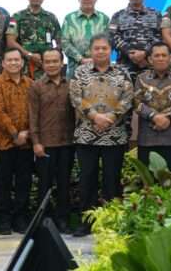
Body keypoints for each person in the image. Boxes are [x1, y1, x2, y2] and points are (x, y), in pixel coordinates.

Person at [70, 34, 133, 237]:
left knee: (112, 181)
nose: (100, 51)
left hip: (114, 136)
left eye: (104, 48)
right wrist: (95, 116)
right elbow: (75, 97)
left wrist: (111, 117)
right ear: (91, 51)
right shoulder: (80, 72)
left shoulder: (122, 72)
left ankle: (111, 222)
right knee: (86, 180)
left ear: (111, 51)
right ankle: (86, 222)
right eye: (96, 48)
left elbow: (128, 98)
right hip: (86, 135)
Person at [29, 48, 75, 234]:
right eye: (48, 61)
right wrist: (36, 142)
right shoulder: (36, 86)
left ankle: (63, 220)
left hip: (67, 143)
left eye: (55, 61)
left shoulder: (70, 85)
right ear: (43, 64)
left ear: (62, 63)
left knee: (64, 184)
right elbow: (33, 116)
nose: (51, 65)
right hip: (45, 144)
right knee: (44, 185)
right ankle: (44, 221)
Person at [0, 48, 34, 235]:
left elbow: (35, 111)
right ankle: (4, 220)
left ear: (22, 63)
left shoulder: (30, 83)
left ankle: (20, 218)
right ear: (3, 63)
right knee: (4, 183)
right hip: (4, 142)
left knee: (24, 182)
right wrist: (15, 134)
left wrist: (27, 133)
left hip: (26, 142)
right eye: (10, 60)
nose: (14, 63)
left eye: (17, 60)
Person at [134, 43, 171, 174]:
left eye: (164, 55)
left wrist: (167, 117)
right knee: (148, 181)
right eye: (157, 55)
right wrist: (154, 116)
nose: (160, 58)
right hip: (147, 139)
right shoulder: (141, 78)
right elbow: (136, 103)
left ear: (170, 58)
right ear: (150, 59)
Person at [6, 0, 61, 78]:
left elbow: (60, 42)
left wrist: (53, 57)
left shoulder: (51, 18)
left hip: (47, 67)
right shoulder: (16, 17)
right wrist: (29, 55)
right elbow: (10, 42)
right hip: (24, 67)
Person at [109, 0, 162, 76]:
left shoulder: (156, 14)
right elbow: (112, 37)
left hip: (149, 66)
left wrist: (145, 52)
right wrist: (129, 52)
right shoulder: (117, 15)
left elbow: (160, 36)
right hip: (124, 67)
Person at [61, 0, 110, 78]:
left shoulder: (104, 19)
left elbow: (109, 43)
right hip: (75, 71)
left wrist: (96, 59)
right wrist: (81, 59)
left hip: (100, 70)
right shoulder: (69, 19)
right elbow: (64, 43)